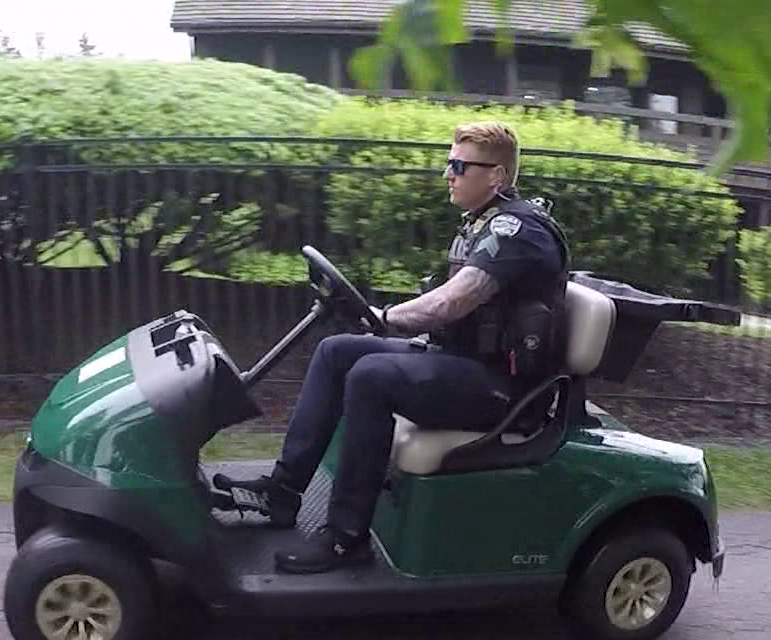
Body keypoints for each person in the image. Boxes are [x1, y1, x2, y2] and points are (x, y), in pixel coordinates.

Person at [213, 120, 571, 574]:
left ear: (497, 176)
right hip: (462, 364)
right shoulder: (481, 223)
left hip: (507, 389)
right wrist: (378, 321)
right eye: (449, 164)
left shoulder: (519, 230)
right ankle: (283, 493)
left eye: (459, 165)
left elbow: (453, 300)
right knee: (338, 351)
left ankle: (345, 537)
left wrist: (383, 318)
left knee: (371, 377)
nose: (448, 174)